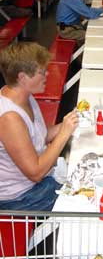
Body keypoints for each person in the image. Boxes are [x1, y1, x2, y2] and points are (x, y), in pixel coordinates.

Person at [0, 42, 79, 211]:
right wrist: (64, 133)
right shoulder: (9, 118)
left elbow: (40, 135)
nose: (47, 74)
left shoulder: (24, 96)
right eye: (42, 72)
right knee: (82, 202)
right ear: (22, 77)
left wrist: (69, 122)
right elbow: (36, 173)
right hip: (20, 198)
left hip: (33, 184)